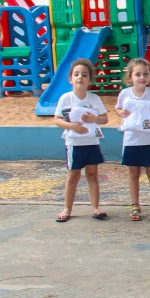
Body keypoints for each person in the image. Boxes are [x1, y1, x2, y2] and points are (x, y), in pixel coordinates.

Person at [53, 58, 109, 221]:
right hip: (74, 144)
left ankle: (95, 208)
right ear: (71, 79)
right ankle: (67, 209)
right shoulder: (66, 98)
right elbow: (56, 120)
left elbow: (105, 118)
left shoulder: (94, 99)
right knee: (73, 176)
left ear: (90, 80)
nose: (80, 77)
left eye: (84, 75)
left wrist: (94, 119)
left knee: (92, 175)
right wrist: (72, 126)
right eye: (76, 74)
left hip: (91, 143)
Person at [115, 57, 150, 222]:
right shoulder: (125, 93)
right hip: (132, 140)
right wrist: (121, 113)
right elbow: (118, 109)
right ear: (130, 77)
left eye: (145, 74)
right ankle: (135, 205)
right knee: (133, 172)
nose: (142, 77)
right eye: (138, 74)